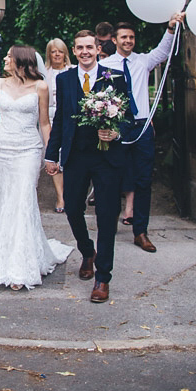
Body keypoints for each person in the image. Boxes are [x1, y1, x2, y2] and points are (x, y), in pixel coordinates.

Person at [0, 45, 73, 290]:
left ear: (21, 61)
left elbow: (44, 123)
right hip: (4, 150)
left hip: (29, 150)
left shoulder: (41, 87)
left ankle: (20, 267)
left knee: (23, 201)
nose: (5, 59)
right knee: (7, 202)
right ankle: (5, 260)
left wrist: (51, 155)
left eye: (9, 56)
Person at [44, 29, 132, 303]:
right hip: (77, 156)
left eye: (89, 47)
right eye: (80, 47)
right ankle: (87, 251)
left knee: (107, 216)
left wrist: (117, 133)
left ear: (97, 49)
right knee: (72, 208)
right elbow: (59, 120)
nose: (84, 52)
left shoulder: (114, 77)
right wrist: (51, 154)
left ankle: (103, 277)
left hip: (107, 158)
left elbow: (129, 117)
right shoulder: (66, 78)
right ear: (75, 49)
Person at [98, 13, 184, 253]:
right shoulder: (104, 66)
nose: (128, 41)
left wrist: (169, 27)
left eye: (132, 37)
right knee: (113, 177)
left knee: (144, 179)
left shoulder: (143, 61)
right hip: (118, 126)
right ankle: (109, 225)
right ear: (114, 40)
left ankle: (141, 231)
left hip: (143, 125)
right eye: (124, 37)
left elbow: (162, 51)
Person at [42, 37, 73, 214]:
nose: (57, 55)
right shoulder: (44, 74)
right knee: (55, 157)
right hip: (50, 115)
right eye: (53, 51)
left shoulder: (73, 71)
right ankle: (60, 196)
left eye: (60, 51)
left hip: (68, 116)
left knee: (69, 157)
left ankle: (71, 194)